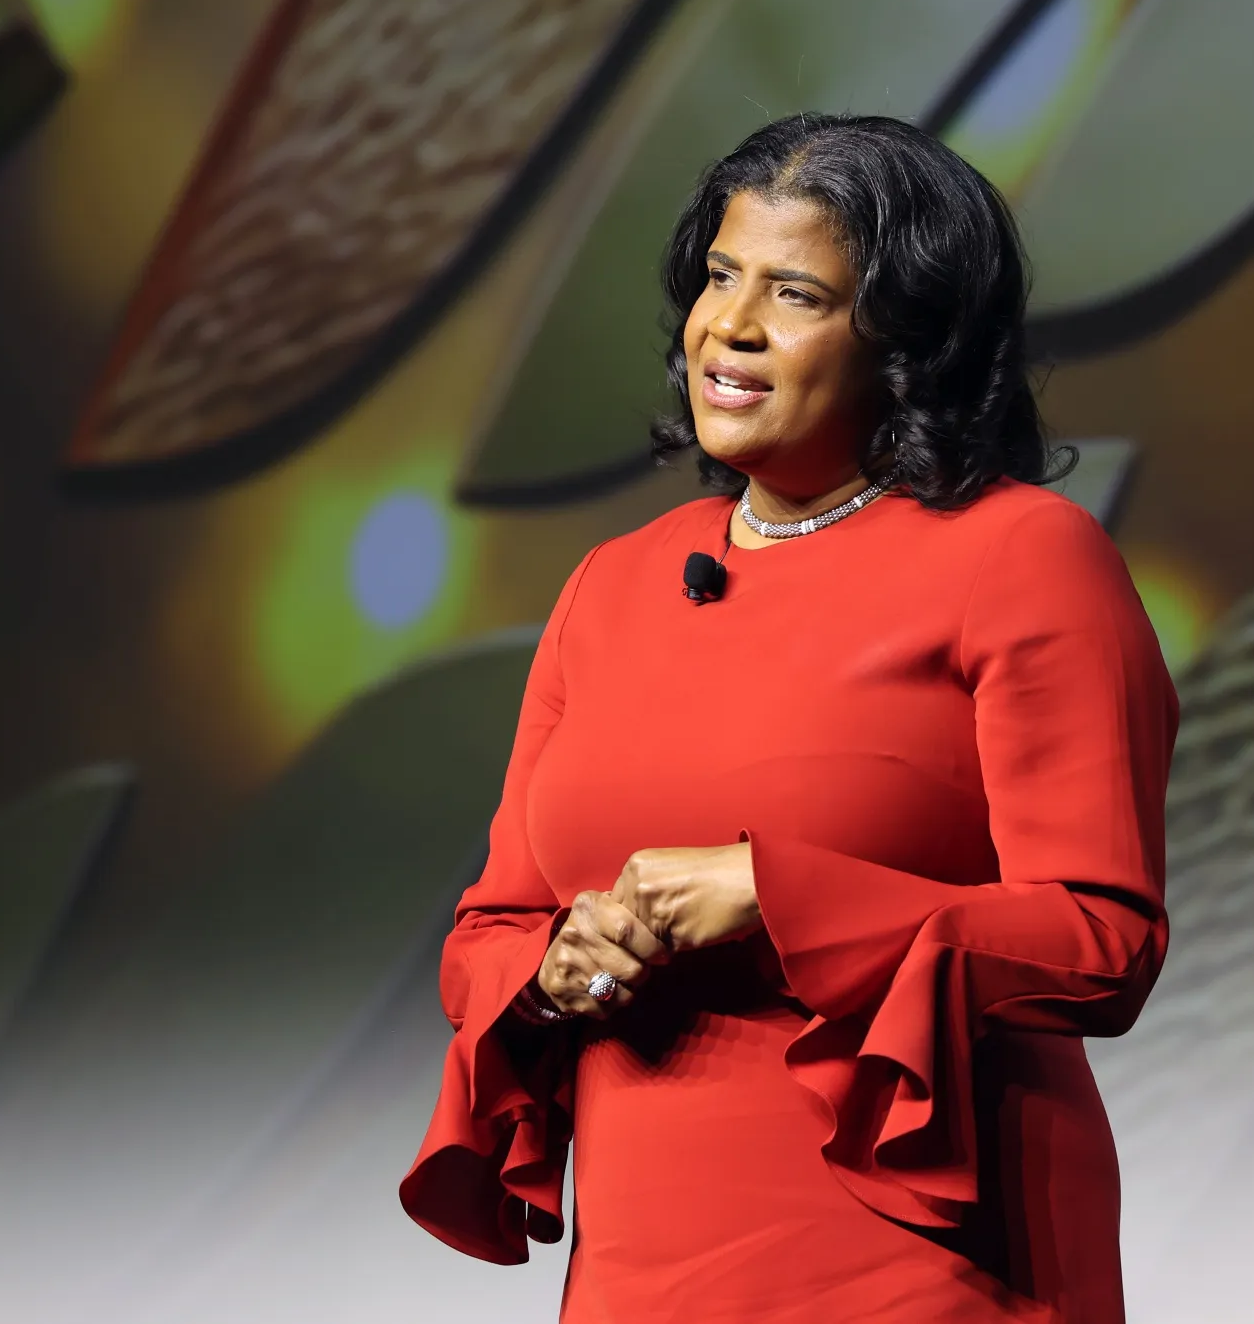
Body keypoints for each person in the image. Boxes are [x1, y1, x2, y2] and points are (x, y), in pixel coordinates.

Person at [398, 113, 1178, 1323]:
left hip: (922, 1260)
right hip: (638, 1267)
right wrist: (552, 969)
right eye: (719, 277)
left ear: (905, 340)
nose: (731, 325)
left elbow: (1099, 944)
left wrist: (780, 896)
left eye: (795, 294)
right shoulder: (611, 584)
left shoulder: (1024, 557)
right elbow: (484, 934)